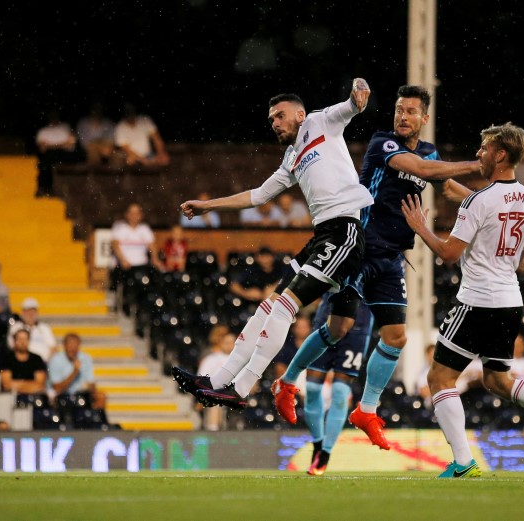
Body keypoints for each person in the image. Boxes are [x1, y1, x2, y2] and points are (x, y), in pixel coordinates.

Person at [271, 85, 481, 451]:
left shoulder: (430, 152)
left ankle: (366, 411)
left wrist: (488, 199)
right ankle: (287, 382)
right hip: (360, 247)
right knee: (338, 329)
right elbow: (422, 170)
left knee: (397, 338)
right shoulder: (382, 144)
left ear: (424, 119)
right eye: (399, 109)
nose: (403, 116)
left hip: (391, 257)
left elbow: (443, 183)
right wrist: (480, 165)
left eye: (411, 111)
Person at [400, 121, 524, 478]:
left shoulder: (479, 201)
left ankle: (462, 461)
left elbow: (448, 253)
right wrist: (502, 263)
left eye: (484, 148)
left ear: (500, 154)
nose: (478, 154)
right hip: (509, 302)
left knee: (440, 380)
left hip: (477, 301)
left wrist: (420, 228)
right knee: (497, 382)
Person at [172, 77, 375, 410]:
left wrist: (358, 94)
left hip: (345, 234)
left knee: (284, 307)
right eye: (271, 120)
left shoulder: (320, 121)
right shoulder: (292, 157)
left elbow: (352, 107)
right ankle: (219, 380)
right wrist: (209, 206)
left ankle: (242, 387)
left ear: (299, 114)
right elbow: (258, 196)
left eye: (279, 116)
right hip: (322, 236)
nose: (274, 123)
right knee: (270, 304)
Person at [296, 299, 373, 476]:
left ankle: (325, 453)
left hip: (358, 328)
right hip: (327, 320)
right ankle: (318, 443)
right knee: (312, 388)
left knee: (340, 392)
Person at [109, 203, 165, 313]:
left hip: (141, 265)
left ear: (141, 215)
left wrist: (155, 258)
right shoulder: (120, 228)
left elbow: (152, 246)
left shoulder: (144, 229)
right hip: (125, 265)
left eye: (137, 213)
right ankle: (123, 305)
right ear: (127, 215)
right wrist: (123, 260)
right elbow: (115, 245)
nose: (134, 215)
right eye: (132, 213)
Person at [48, 332, 107, 412]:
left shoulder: (85, 358)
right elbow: (57, 388)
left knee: (100, 396)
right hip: (62, 395)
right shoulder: (56, 360)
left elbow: (90, 381)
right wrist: (75, 372)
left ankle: (98, 421)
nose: (72, 348)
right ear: (64, 345)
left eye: (75, 345)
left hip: (81, 394)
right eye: (70, 345)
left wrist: (92, 389)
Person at [196, 326, 235, 431]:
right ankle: (213, 431)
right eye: (227, 342)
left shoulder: (240, 360)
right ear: (221, 343)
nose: (229, 345)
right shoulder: (211, 359)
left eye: (232, 342)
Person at [34, 108, 81, 197]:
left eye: (55, 116)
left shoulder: (66, 128)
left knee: (52, 157)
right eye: (52, 116)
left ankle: (52, 188)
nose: (53, 118)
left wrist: (51, 145)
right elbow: (42, 148)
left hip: (65, 155)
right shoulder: (43, 131)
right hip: (50, 156)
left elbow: (72, 143)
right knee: (47, 161)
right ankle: (46, 188)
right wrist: (62, 144)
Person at [114, 102, 170, 167]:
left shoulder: (145, 120)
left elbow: (157, 139)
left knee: (165, 159)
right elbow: (126, 149)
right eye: (127, 111)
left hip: (148, 155)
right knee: (130, 160)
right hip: (132, 157)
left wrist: (161, 153)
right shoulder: (120, 127)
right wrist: (143, 160)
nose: (130, 113)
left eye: (131, 110)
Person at [0, 329, 48, 397]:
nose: (22, 342)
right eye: (19, 339)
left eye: (25, 339)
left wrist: (15, 385)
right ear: (14, 341)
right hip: (11, 398)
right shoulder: (7, 359)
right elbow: (6, 384)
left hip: (33, 398)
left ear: (29, 341)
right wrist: (30, 385)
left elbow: (40, 385)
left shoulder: (37, 359)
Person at [7, 297, 57, 362]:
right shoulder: (16, 327)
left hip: (43, 363)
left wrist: (45, 362)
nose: (31, 314)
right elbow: (12, 346)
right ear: (23, 312)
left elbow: (53, 348)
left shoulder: (44, 328)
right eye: (28, 311)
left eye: (33, 311)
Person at [76, 101, 116, 166]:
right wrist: (100, 147)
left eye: (99, 109)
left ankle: (112, 174)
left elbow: (111, 141)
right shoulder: (83, 123)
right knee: (93, 151)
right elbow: (85, 143)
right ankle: (96, 173)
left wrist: (100, 145)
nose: (97, 111)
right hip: (87, 151)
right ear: (90, 110)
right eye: (95, 109)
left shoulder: (108, 123)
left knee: (117, 154)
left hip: (107, 149)